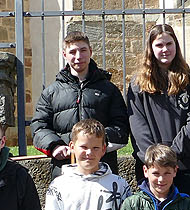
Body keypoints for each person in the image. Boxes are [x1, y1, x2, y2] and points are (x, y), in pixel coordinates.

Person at [125, 22, 190, 204]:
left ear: (176, 46)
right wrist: (157, 161)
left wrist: (171, 156)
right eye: (159, 45)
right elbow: (137, 126)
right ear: (151, 48)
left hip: (185, 165)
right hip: (151, 171)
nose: (165, 49)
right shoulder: (137, 85)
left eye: (169, 44)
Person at [31, 29, 130, 170]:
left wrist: (96, 145)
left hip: (102, 167)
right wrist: (55, 146)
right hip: (65, 168)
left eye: (83, 50)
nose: (78, 56)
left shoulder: (109, 90)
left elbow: (121, 126)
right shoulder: (51, 93)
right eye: (72, 52)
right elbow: (39, 126)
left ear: (90, 51)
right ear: (64, 54)